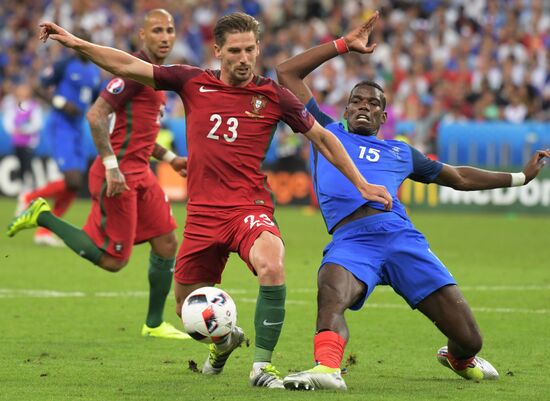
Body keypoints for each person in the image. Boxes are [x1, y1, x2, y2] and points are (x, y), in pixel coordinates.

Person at [24, 12, 393, 388]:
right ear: (218, 51)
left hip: (248, 208)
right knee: (188, 312)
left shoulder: (273, 96)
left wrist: (361, 184)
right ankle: (223, 341)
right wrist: (76, 43)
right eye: (235, 50)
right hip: (201, 215)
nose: (244, 58)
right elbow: (127, 64)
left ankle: (262, 367)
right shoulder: (191, 81)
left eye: (250, 49)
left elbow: (324, 138)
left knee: (272, 262)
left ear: (258, 48)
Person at [276, 11, 550, 390]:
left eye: (373, 103)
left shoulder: (400, 152)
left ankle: (457, 357)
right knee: (331, 287)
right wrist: (342, 45)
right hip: (353, 240)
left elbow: (458, 177)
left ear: (384, 115)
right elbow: (287, 73)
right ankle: (326, 368)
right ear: (345, 108)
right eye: (357, 100)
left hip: (401, 238)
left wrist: (520, 178)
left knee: (471, 338)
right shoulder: (322, 130)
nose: (363, 106)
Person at [8, 9, 190, 340]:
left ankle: (153, 324)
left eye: (170, 30)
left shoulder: (157, 77)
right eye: (158, 31)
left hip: (141, 174)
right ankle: (42, 215)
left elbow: (141, 135)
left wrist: (171, 157)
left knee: (166, 243)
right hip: (117, 175)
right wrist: (111, 166)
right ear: (143, 36)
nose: (165, 36)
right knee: (112, 261)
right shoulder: (132, 74)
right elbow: (95, 115)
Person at [16, 29, 101, 246]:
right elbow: (38, 87)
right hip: (61, 125)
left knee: (74, 184)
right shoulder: (63, 65)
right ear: (73, 43)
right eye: (79, 41)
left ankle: (44, 231)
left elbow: (96, 99)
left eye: (86, 40)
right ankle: (29, 198)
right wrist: (61, 103)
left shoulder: (94, 71)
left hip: (78, 128)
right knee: (72, 179)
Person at [1, 83, 44, 192]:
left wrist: (24, 129)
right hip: (17, 141)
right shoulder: (13, 106)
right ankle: (23, 186)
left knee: (28, 163)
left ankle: (30, 186)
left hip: (29, 142)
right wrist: (14, 130)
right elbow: (8, 123)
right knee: (20, 163)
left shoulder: (34, 106)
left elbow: (37, 124)